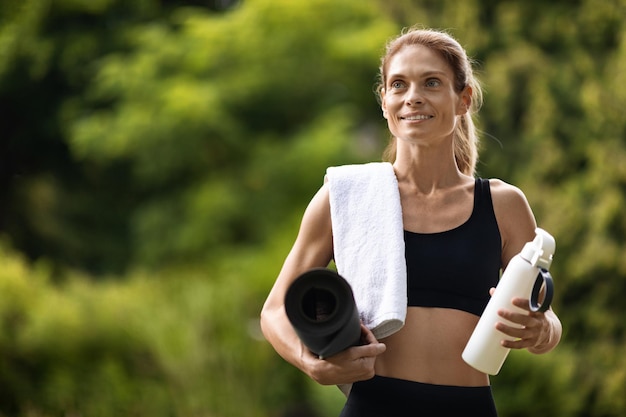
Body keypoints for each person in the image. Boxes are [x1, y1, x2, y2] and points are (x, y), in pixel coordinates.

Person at [260, 27, 562, 416]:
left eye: (431, 82)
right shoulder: (344, 196)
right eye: (398, 84)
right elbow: (274, 311)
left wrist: (540, 333)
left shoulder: (503, 205)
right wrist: (312, 362)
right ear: (384, 101)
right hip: (374, 405)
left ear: (463, 99)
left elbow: (548, 318)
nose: (413, 97)